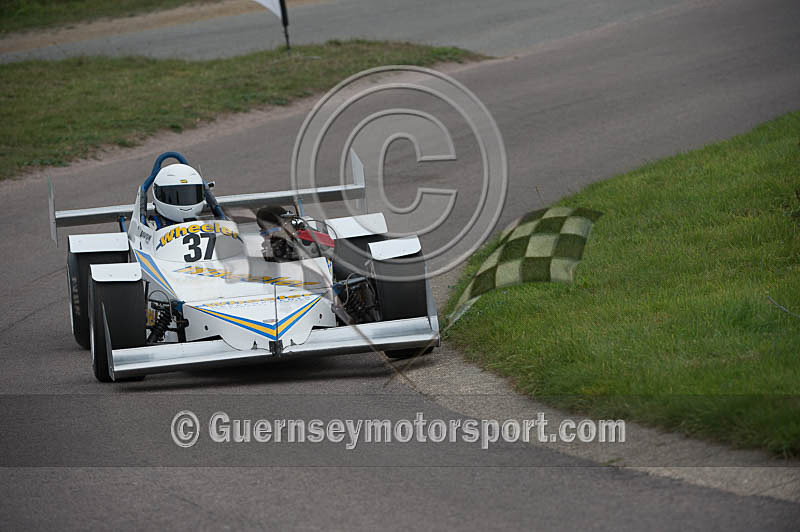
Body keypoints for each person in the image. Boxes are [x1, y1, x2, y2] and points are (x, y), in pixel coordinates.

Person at [150, 164, 207, 228]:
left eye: (188, 195)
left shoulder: (206, 224)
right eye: (174, 197)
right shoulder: (150, 227)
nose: (184, 200)